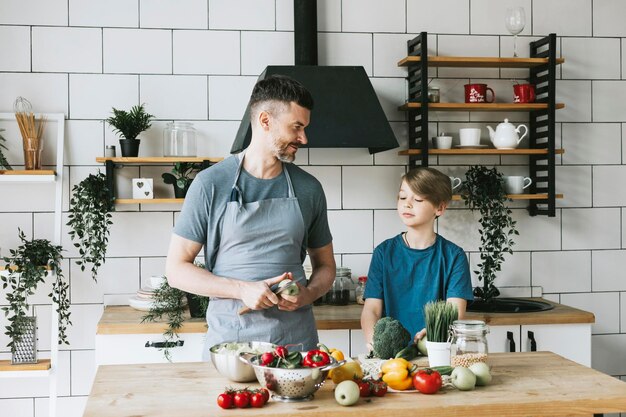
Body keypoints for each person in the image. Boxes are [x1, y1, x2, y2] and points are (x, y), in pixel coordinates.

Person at [165, 75, 336, 356]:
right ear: (265, 121)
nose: (303, 138)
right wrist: (242, 289)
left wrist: (308, 293)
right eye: (297, 127)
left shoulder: (309, 189)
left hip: (296, 346)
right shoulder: (211, 184)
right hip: (232, 344)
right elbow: (176, 270)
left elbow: (326, 266)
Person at [360, 167, 473, 350]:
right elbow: (371, 309)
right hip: (392, 359)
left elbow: (455, 312)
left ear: (440, 208)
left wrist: (435, 331)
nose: (407, 204)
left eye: (418, 199)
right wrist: (374, 340)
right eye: (403, 197)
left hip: (437, 350)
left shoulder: (454, 256)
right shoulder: (383, 253)